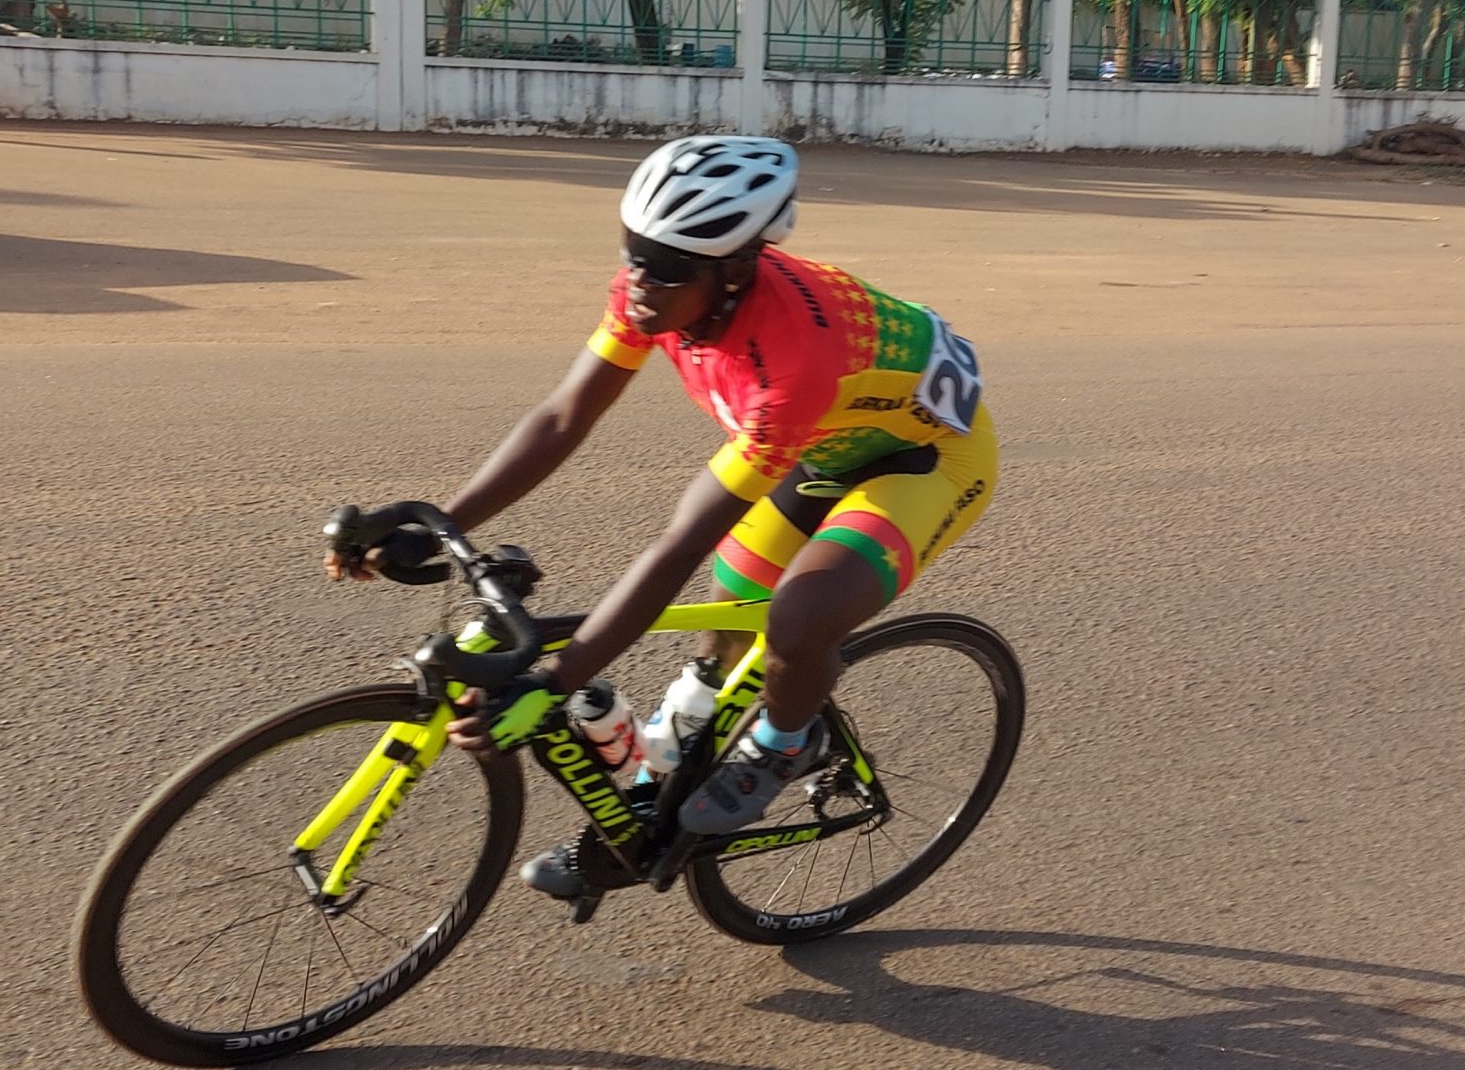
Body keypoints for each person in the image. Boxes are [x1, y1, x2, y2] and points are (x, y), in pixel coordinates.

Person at [327, 135, 998, 898]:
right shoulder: (652, 288)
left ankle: (788, 738)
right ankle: (684, 740)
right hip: (832, 445)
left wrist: (556, 678)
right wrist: (438, 521)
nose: (641, 281)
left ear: (736, 270)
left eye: (671, 266)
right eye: (634, 251)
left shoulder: (794, 362)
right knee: (734, 583)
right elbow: (562, 418)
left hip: (929, 460)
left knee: (797, 613)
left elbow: (678, 539)